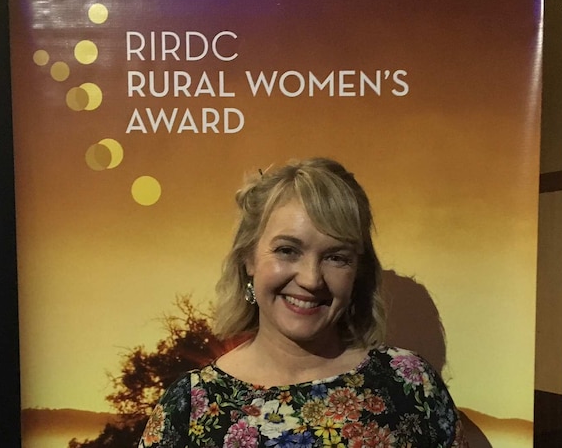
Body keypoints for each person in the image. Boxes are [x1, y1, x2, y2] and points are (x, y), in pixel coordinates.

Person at [139, 157, 468, 447]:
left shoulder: (409, 382)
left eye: (336, 257)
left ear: (357, 272)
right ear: (249, 259)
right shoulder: (190, 406)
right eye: (287, 250)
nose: (311, 279)